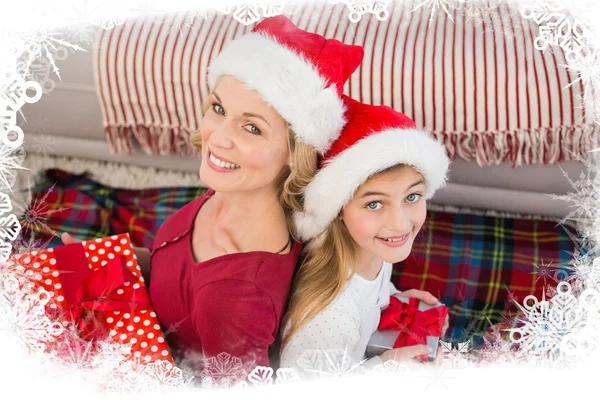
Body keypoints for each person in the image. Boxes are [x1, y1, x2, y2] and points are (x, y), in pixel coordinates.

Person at [62, 15, 365, 377]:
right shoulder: (235, 188)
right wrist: (109, 263)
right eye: (219, 108)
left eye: (252, 127)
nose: (218, 137)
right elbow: (176, 275)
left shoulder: (234, 296)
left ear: (294, 153)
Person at [279, 95, 451, 375]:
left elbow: (367, 296)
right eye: (374, 204)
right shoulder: (329, 319)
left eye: (412, 196)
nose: (400, 223)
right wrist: (387, 369)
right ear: (337, 210)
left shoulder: (373, 248)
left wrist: (396, 299)